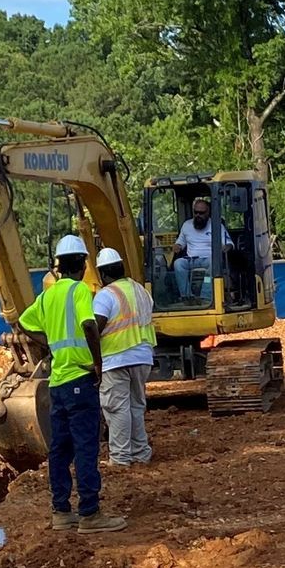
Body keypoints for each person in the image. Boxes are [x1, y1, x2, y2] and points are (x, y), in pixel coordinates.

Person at [19, 234, 126, 532]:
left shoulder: (47, 296)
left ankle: (61, 511)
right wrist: (98, 363)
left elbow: (25, 323)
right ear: (82, 263)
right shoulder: (79, 291)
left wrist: (51, 344)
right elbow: (89, 325)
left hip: (57, 383)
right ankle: (90, 513)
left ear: (58, 265)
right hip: (80, 376)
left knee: (60, 448)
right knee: (86, 446)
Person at [88, 244, 155, 467]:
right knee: (136, 406)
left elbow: (95, 326)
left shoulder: (106, 295)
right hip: (143, 356)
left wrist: (95, 361)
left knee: (117, 408)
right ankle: (141, 453)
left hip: (116, 358)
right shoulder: (141, 291)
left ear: (103, 273)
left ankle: (120, 457)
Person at [171, 192, 215, 299]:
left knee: (214, 263)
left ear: (208, 212)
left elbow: (228, 243)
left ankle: (205, 295)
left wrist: (226, 247)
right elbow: (180, 242)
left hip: (208, 260)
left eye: (201, 212)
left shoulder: (215, 225)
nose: (198, 215)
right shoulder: (187, 225)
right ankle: (186, 296)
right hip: (190, 260)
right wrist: (177, 246)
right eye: (196, 212)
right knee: (178, 264)